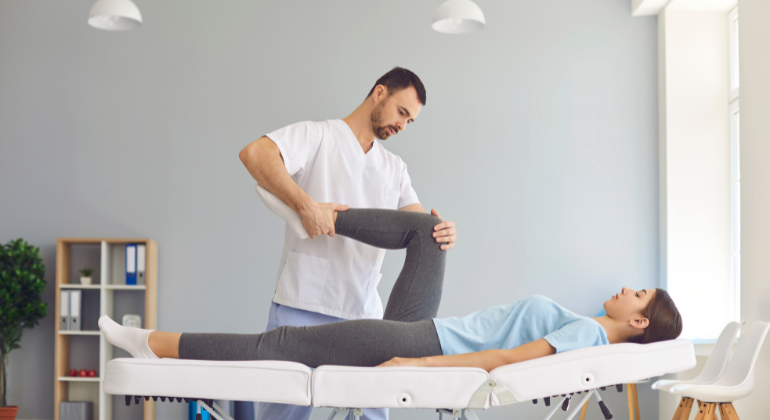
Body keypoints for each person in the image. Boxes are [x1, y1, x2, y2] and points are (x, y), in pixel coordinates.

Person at [100, 208, 683, 374]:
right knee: (429, 230)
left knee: (278, 343)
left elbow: (504, 361)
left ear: (638, 322)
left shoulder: (583, 332)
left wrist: (419, 365)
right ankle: (324, 214)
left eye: (640, 294)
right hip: (426, 327)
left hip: (422, 342)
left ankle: (151, 342)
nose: (628, 288)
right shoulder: (582, 328)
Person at [238, 67, 456, 420]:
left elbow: (418, 227)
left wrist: (440, 231)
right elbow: (255, 154)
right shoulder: (318, 136)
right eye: (402, 112)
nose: (402, 125)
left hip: (363, 316)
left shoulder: (394, 168)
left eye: (410, 121)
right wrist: (306, 206)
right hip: (302, 305)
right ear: (380, 93)